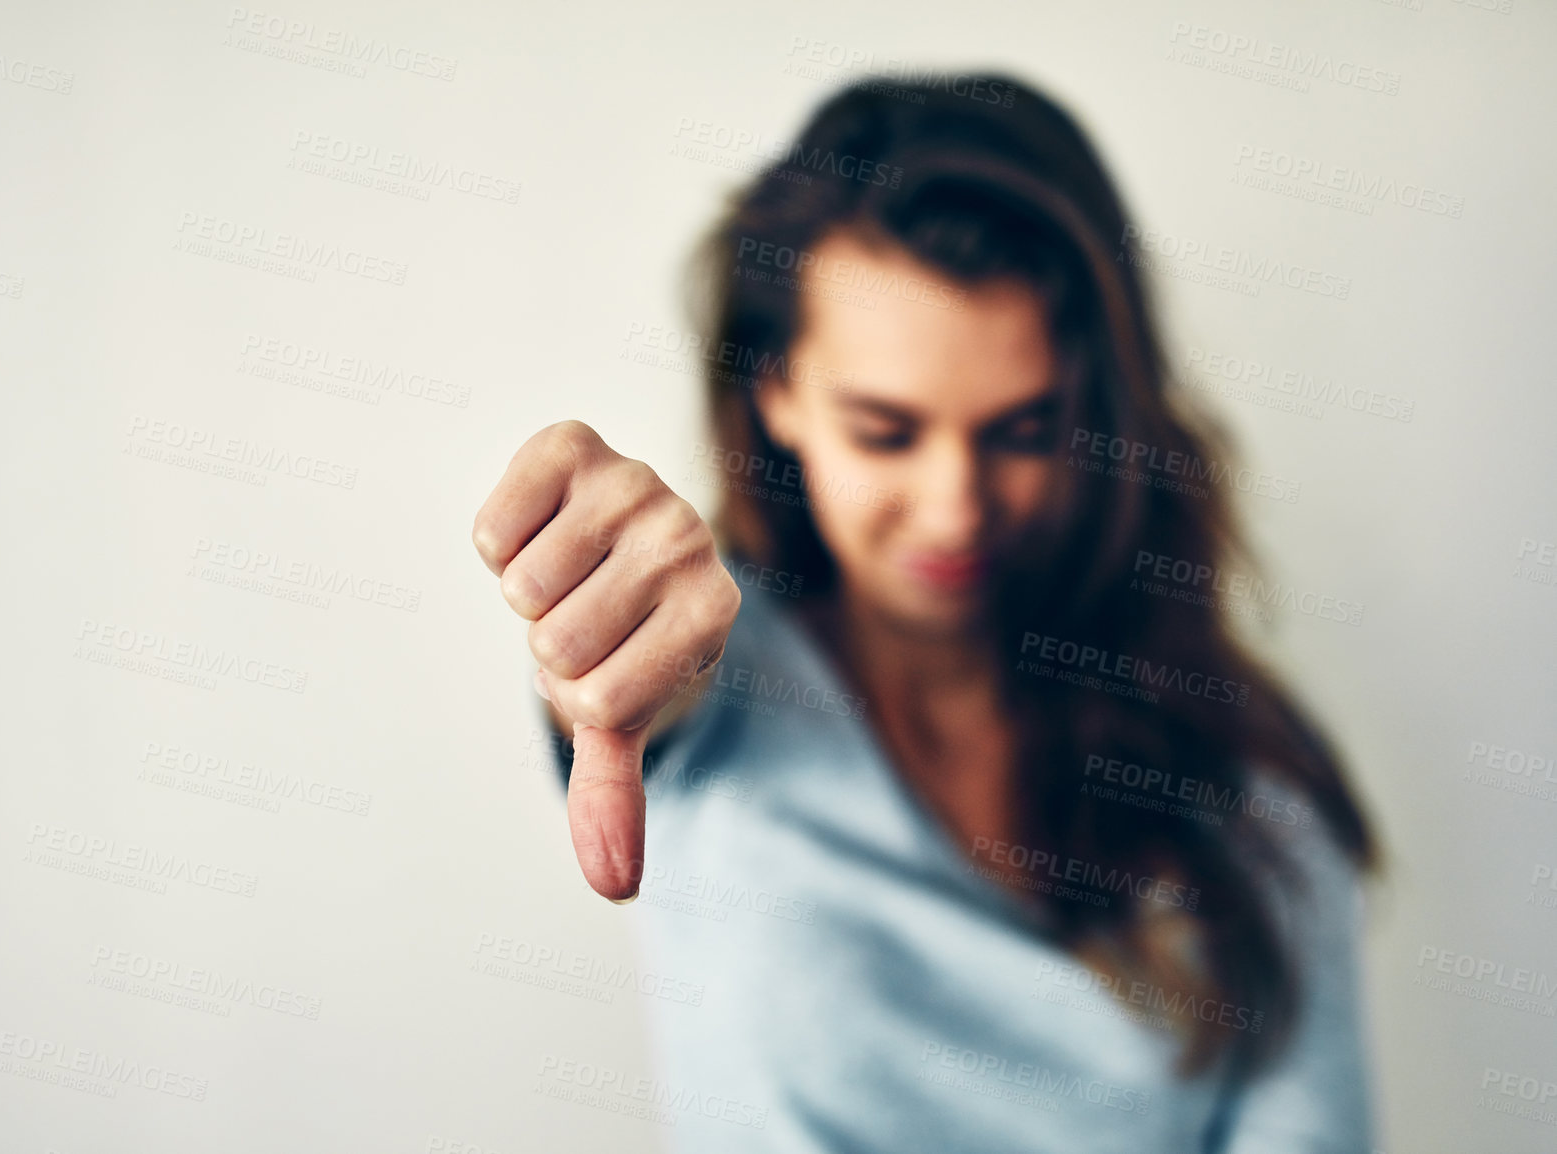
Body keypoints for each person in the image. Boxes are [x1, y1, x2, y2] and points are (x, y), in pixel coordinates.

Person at [472, 73, 1377, 1153]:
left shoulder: (1248, 790)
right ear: (776, 391)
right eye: (886, 431)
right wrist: (606, 611)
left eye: (1022, 430)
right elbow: (647, 681)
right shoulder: (716, 687)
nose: (955, 508)